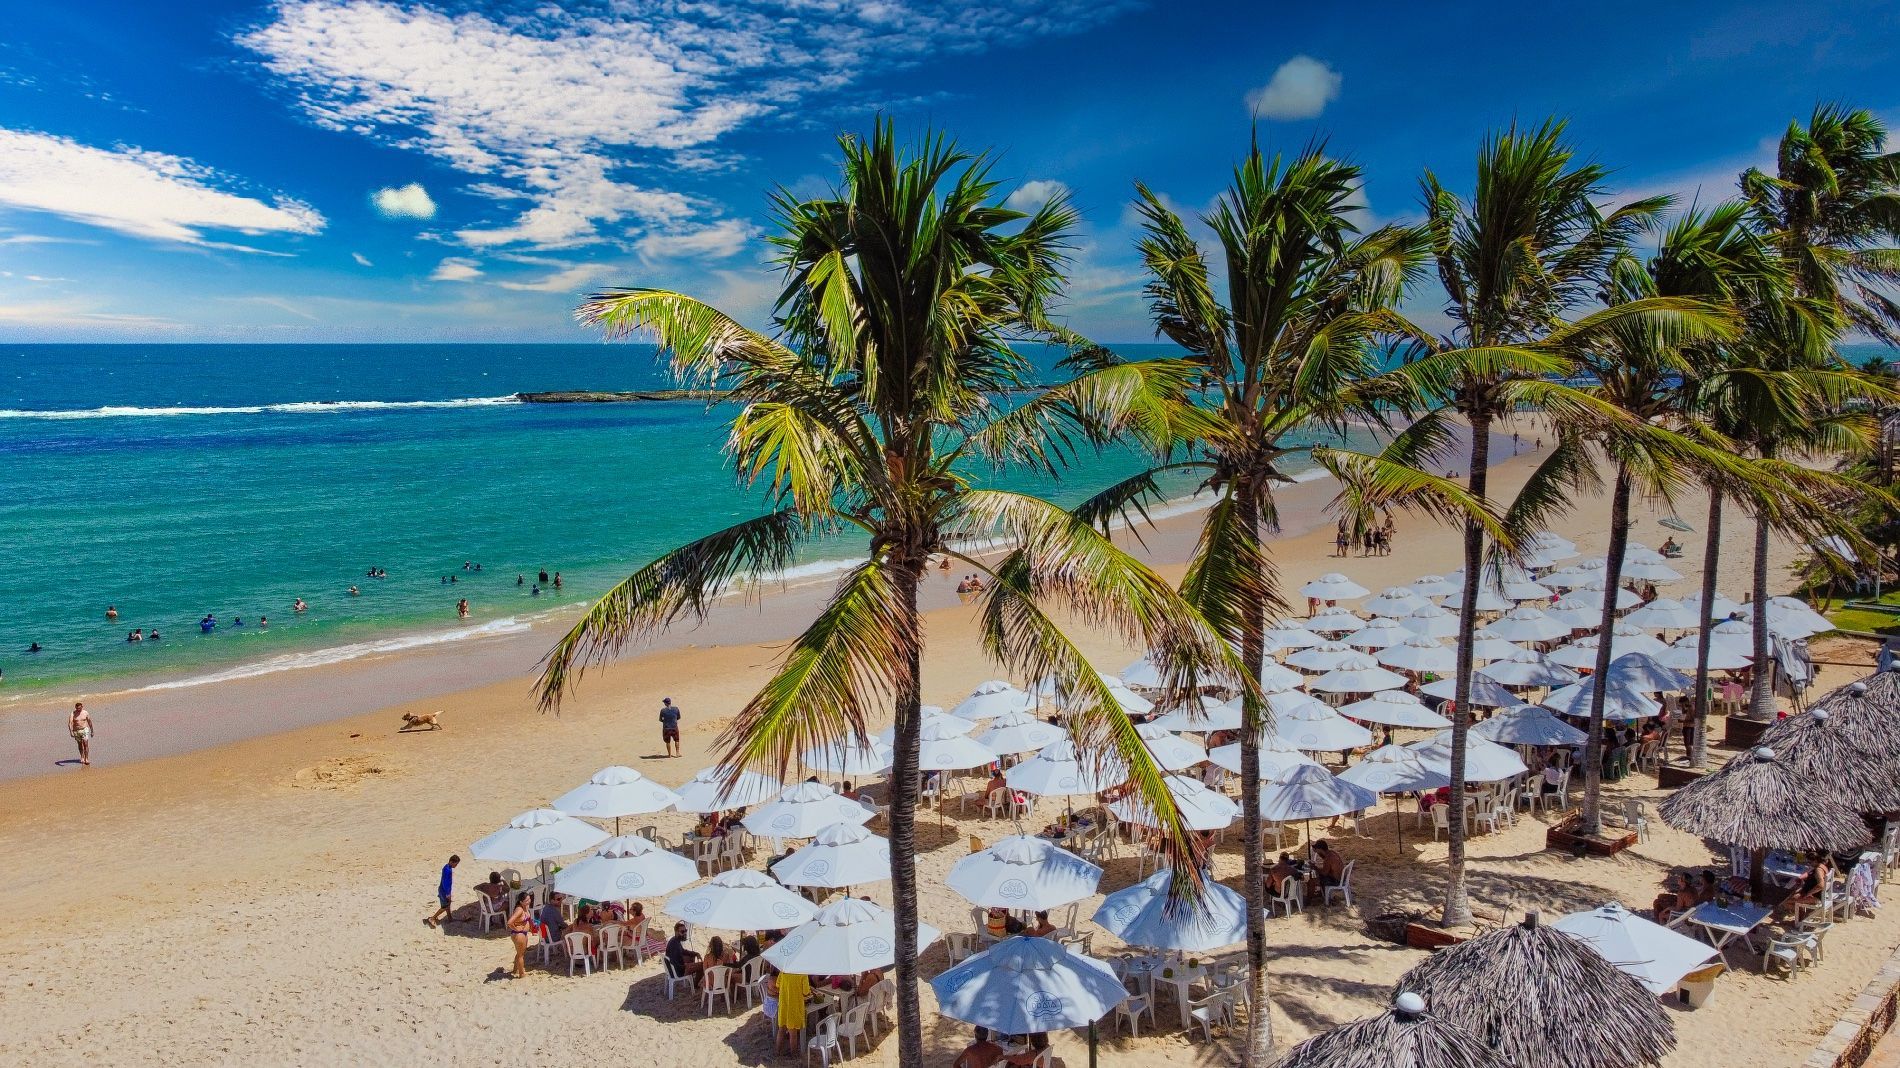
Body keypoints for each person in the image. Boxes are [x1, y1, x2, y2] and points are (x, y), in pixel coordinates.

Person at [775, 970, 808, 1055]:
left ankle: (777, 1051)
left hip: (783, 1005)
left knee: (781, 1030)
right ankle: (794, 1054)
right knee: (793, 1034)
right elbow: (806, 992)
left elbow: (777, 984)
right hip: (794, 1007)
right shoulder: (803, 974)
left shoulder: (783, 971)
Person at [426, 855, 460, 928]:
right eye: (456, 864)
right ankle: (432, 918)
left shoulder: (447, 867)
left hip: (444, 890)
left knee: (448, 904)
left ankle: (450, 918)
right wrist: (448, 894)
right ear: (451, 862)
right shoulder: (448, 870)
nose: (456, 866)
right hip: (444, 891)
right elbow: (445, 883)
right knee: (445, 906)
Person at [505, 892, 534, 978]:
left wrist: (532, 929)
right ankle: (522, 974)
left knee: (520, 953)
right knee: (521, 955)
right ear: (521, 902)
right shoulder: (519, 910)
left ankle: (515, 970)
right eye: (526, 900)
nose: (529, 901)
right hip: (519, 934)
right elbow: (509, 922)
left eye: (529, 899)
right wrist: (516, 929)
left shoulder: (526, 907)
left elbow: (528, 920)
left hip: (523, 933)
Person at [68, 702, 92, 766]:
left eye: (80, 708)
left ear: (82, 707)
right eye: (77, 708)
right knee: (80, 744)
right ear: (75, 708)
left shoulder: (85, 713)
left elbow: (89, 721)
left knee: (85, 743)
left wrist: (92, 730)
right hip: (76, 730)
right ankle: (82, 757)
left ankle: (86, 758)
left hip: (85, 729)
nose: (78, 709)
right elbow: (70, 723)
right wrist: (71, 732)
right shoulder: (73, 713)